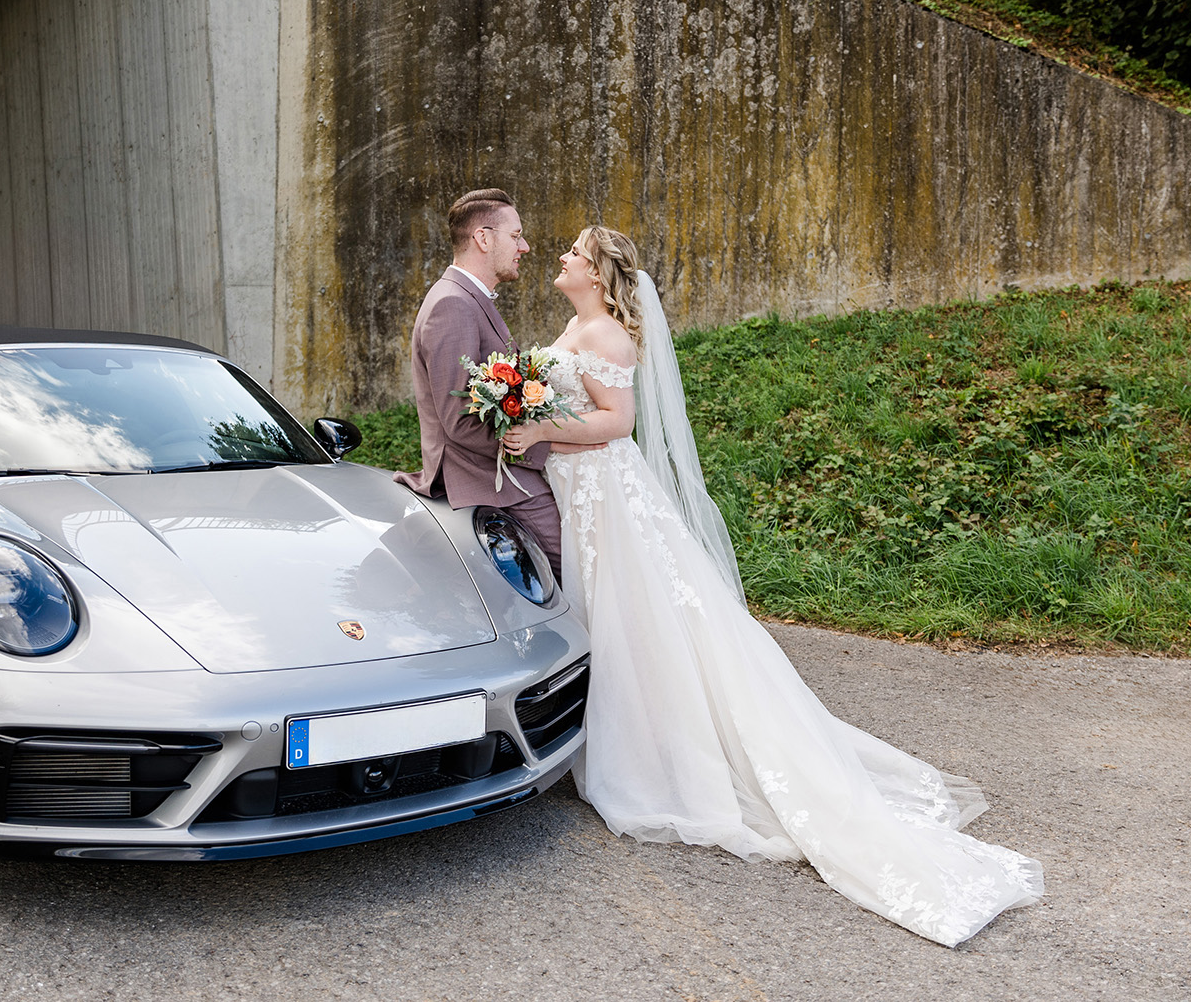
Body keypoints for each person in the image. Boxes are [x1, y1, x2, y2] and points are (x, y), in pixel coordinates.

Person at [501, 226, 1044, 947]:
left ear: (597, 274)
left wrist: (540, 432)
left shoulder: (606, 335)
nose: (561, 257)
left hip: (605, 495)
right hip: (579, 490)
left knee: (637, 618)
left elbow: (617, 421)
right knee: (620, 619)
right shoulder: (577, 325)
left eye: (574, 252)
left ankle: (663, 754)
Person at [394, 188, 584, 580]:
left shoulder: (468, 298)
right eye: (516, 236)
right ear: (483, 238)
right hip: (487, 481)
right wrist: (544, 443)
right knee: (577, 571)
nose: (524, 247)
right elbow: (459, 420)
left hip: (499, 473)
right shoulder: (453, 304)